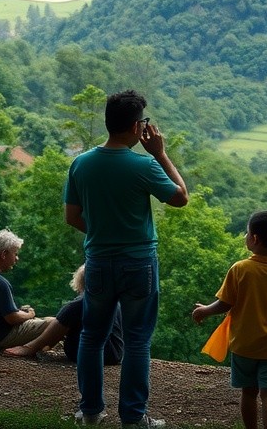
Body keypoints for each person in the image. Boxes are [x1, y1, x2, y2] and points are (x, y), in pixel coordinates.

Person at [64, 89, 189, 429]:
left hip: (100, 262)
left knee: (92, 336)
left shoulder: (81, 163)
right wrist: (161, 154)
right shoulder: (144, 164)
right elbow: (181, 198)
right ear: (137, 127)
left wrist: (102, 232)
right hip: (139, 264)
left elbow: (72, 216)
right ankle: (133, 418)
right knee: (137, 341)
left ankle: (90, 413)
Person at [192, 209, 267, 429]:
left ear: (254, 239)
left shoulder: (240, 269)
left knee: (249, 394)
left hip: (244, 345)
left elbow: (225, 303)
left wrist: (205, 310)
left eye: (246, 232)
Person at [4, 264, 123, 365]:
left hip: (95, 354)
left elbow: (59, 324)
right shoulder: (114, 301)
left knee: (65, 321)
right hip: (116, 353)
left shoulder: (80, 303)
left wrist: (29, 348)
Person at [0, 229, 55, 350]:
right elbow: (12, 318)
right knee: (55, 323)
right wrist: (30, 314)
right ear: (4, 254)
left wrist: (21, 312)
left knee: (49, 320)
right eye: (15, 253)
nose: (17, 258)